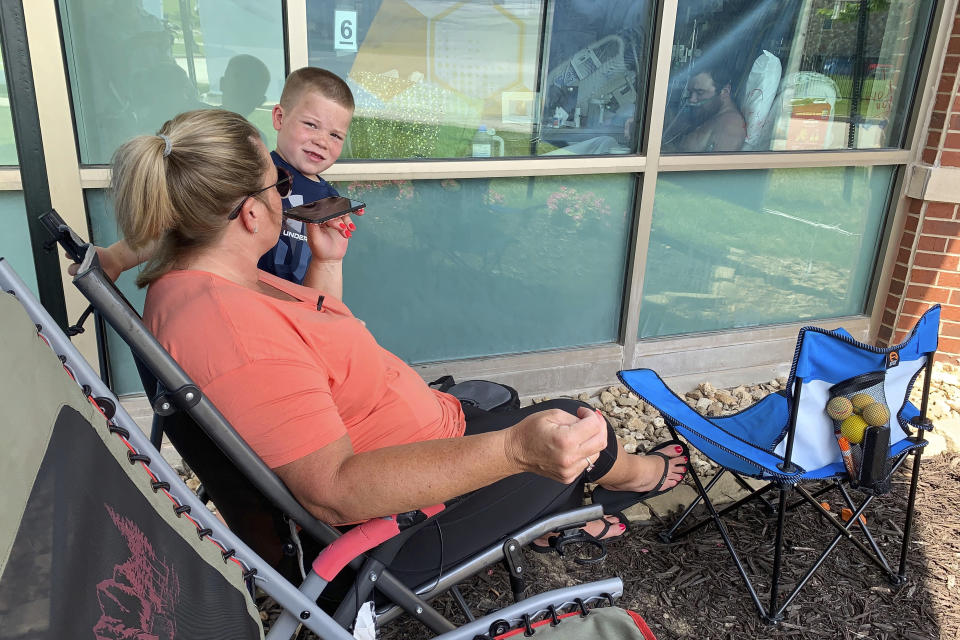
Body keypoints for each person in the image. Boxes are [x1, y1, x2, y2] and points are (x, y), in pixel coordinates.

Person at [105, 108, 688, 587]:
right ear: (252, 211)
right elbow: (334, 492)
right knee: (578, 428)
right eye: (278, 181)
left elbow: (308, 360)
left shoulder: (209, 281)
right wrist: (515, 450)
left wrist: (326, 266)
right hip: (397, 535)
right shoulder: (228, 331)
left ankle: (571, 501)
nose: (289, 191)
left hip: (424, 436)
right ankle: (635, 475)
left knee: (541, 416)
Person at [84, 66, 355, 287]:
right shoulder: (246, 172)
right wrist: (116, 257)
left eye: (335, 135)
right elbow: (179, 228)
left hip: (291, 306)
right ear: (279, 117)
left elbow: (323, 271)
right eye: (311, 125)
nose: (322, 141)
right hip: (239, 296)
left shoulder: (330, 199)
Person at [666, 65, 746, 152]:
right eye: (690, 92)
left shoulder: (730, 127)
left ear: (725, 91)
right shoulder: (710, 113)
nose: (692, 100)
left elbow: (718, 164)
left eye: (700, 92)